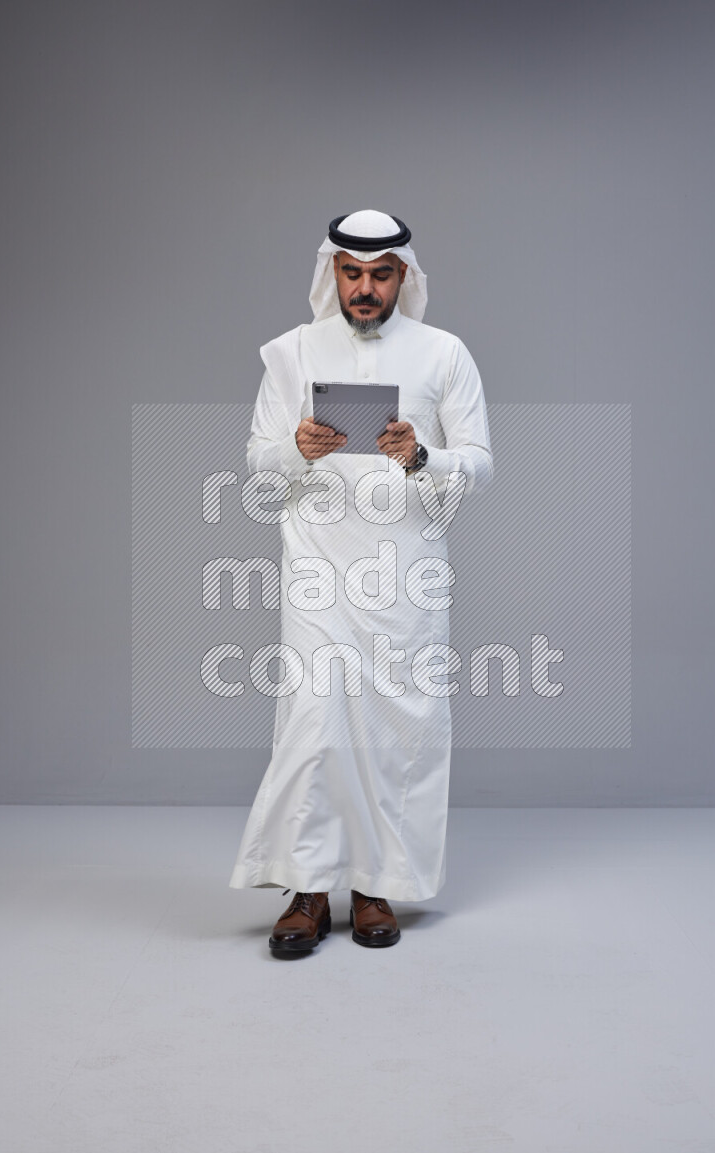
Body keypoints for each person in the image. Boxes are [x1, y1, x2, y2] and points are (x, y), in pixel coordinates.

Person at [229, 209, 493, 956]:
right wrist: (296, 448)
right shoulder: (290, 354)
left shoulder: (445, 354)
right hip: (317, 569)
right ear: (332, 273)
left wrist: (421, 456)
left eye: (381, 274)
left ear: (404, 275)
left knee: (392, 728)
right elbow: (256, 461)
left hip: (407, 574)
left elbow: (480, 463)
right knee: (314, 724)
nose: (366, 288)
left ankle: (375, 885)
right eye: (353, 273)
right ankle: (307, 890)